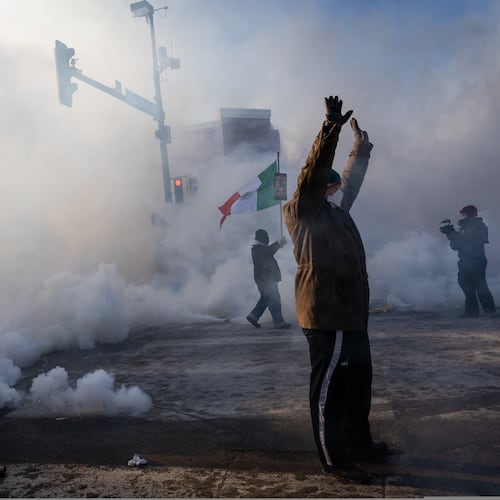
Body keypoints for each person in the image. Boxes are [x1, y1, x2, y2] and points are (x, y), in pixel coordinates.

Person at [283, 95, 387, 484]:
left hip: (351, 314)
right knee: (330, 393)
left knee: (359, 384)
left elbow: (351, 182)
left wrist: (359, 150)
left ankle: (360, 444)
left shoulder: (335, 210)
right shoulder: (302, 210)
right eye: (329, 186)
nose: (335, 190)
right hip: (326, 314)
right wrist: (331, 130)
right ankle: (335, 459)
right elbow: (315, 171)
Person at [441, 205, 496, 317]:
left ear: (471, 214)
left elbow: (462, 240)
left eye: (464, 213)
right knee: (466, 286)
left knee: (481, 287)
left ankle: (490, 313)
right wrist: (450, 234)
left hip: (476, 261)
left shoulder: (478, 226)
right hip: (466, 261)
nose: (462, 216)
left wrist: (451, 234)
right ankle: (472, 313)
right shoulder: (466, 228)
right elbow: (456, 245)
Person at [246, 229, 291, 329]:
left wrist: (279, 244)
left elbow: (268, 252)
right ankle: (279, 322)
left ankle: (253, 316)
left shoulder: (259, 248)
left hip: (266, 278)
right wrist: (278, 243)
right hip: (265, 279)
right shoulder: (257, 248)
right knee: (274, 300)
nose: (267, 238)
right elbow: (268, 252)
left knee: (266, 298)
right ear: (262, 238)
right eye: (266, 236)